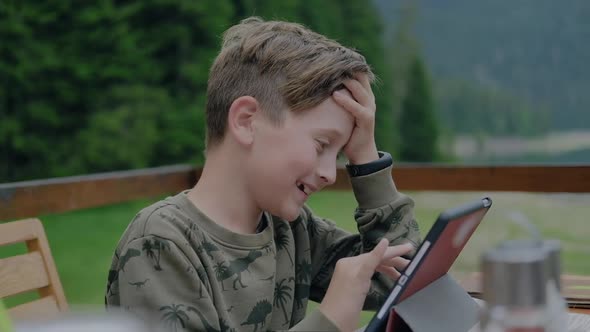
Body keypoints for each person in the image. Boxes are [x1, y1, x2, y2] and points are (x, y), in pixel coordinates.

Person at [105, 16, 421, 332]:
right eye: (321, 144)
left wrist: (365, 155)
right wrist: (331, 320)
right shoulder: (161, 242)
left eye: (339, 154)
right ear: (246, 121)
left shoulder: (292, 230)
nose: (329, 174)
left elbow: (396, 277)